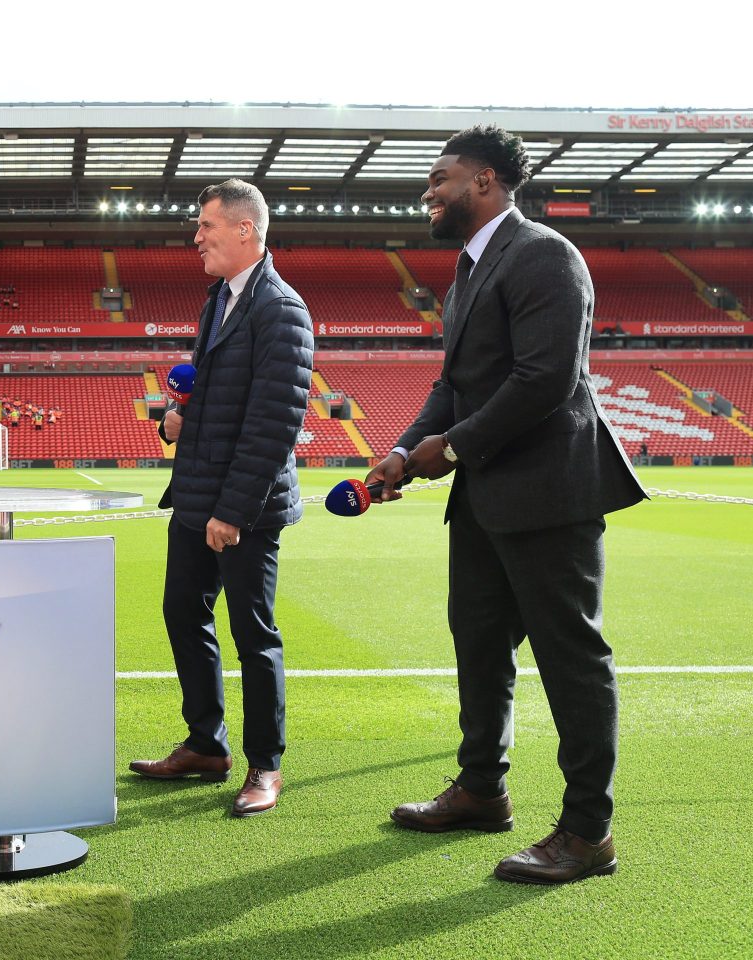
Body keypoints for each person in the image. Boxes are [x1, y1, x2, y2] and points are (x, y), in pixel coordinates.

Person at [366, 125, 646, 884]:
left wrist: (449, 449)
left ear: (484, 182)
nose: (429, 190)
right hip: (486, 497)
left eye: (440, 177)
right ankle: (483, 789)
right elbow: (451, 385)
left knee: (570, 658)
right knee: (480, 643)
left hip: (550, 493)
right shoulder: (466, 275)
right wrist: (404, 449)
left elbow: (546, 380)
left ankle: (589, 832)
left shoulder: (546, 255)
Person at [129, 179, 313, 818]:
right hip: (197, 492)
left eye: (206, 225)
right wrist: (176, 423)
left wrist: (232, 512)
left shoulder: (281, 309)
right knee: (184, 612)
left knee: (252, 633)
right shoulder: (220, 299)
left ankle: (266, 765)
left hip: (244, 506)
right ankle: (207, 744)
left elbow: (274, 422)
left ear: (244, 230)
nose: (197, 236)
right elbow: (217, 392)